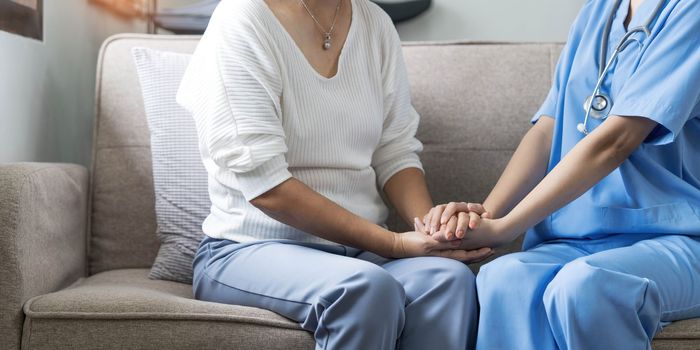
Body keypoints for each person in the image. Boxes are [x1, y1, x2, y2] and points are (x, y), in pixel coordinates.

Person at [177, 0, 492, 349]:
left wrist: (434, 231)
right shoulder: (243, 17)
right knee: (364, 289)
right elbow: (266, 187)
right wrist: (394, 244)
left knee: (448, 280)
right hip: (247, 249)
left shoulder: (374, 23)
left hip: (358, 252)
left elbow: (395, 149)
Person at [424, 0, 700, 348]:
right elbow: (546, 132)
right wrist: (485, 219)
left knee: (586, 287)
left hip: (681, 239)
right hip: (580, 240)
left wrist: (508, 228)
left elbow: (616, 141)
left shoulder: (691, 12)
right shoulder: (599, 11)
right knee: (505, 277)